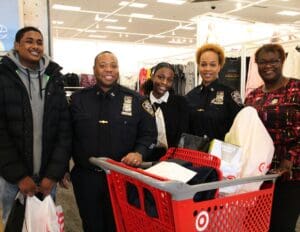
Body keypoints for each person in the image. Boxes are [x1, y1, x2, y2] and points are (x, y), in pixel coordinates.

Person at [70, 51, 157, 232]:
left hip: (122, 179)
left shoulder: (137, 101)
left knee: (119, 225)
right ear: (94, 70)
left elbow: (149, 135)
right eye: (103, 65)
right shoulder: (78, 100)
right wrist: (62, 165)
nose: (109, 69)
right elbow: (66, 134)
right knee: (91, 225)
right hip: (86, 178)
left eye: (113, 65)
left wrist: (139, 152)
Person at [0, 26, 71, 224]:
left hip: (47, 179)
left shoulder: (54, 77)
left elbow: (64, 130)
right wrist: (19, 176)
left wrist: (53, 175)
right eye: (29, 41)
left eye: (39, 42)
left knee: (44, 224)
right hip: (12, 180)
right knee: (14, 224)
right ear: (16, 45)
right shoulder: (3, 76)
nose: (35, 46)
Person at [245, 43, 300, 232]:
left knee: (282, 225)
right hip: (260, 173)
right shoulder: (253, 96)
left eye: (274, 61)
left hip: (291, 174)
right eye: (263, 62)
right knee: (258, 225)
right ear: (257, 65)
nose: (268, 66)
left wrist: (290, 158)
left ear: (282, 61)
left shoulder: (297, 88)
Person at [185, 43, 243, 140]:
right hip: (195, 153)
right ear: (198, 66)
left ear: (219, 66)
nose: (207, 69)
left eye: (212, 65)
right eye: (203, 64)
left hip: (220, 152)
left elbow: (240, 129)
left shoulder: (230, 95)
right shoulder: (190, 96)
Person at [141, 62, 189, 161]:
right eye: (160, 77)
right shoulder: (142, 103)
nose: (164, 82)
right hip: (147, 159)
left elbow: (184, 133)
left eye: (169, 80)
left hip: (173, 159)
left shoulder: (180, 103)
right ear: (152, 76)